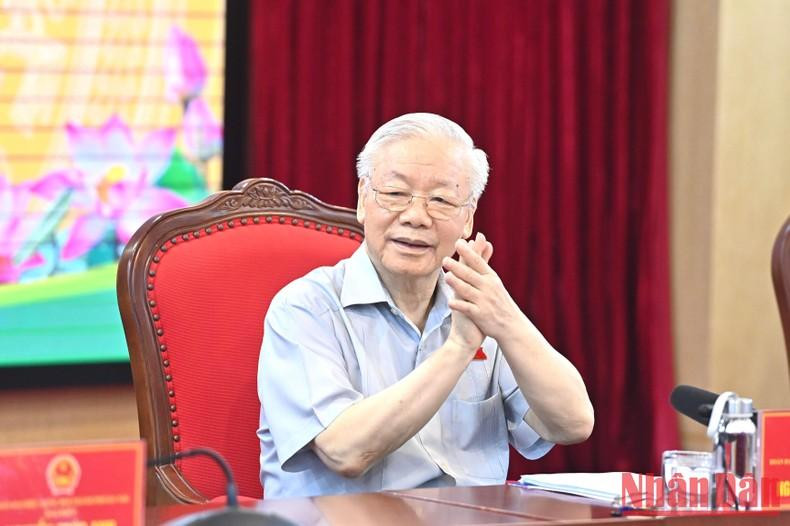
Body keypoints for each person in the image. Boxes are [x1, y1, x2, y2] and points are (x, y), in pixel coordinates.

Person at [257, 112, 594, 498]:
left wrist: (507, 319)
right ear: (363, 200)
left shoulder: (476, 306)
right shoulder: (306, 308)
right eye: (396, 194)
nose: (416, 217)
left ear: (467, 219)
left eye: (441, 200)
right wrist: (458, 349)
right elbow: (345, 451)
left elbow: (572, 424)